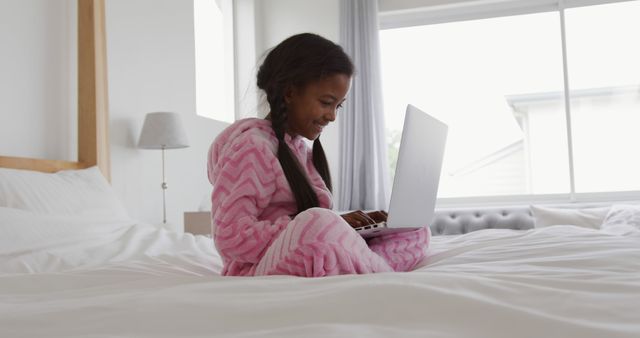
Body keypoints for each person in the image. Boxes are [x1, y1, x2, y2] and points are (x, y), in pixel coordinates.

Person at [207, 33, 429, 277]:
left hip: (305, 249)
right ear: (290, 93)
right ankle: (375, 271)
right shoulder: (252, 148)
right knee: (317, 224)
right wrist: (324, 225)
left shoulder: (300, 150)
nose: (332, 116)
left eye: (338, 106)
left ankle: (364, 263)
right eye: (326, 102)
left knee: (413, 228)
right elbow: (229, 236)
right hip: (255, 269)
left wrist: (349, 226)